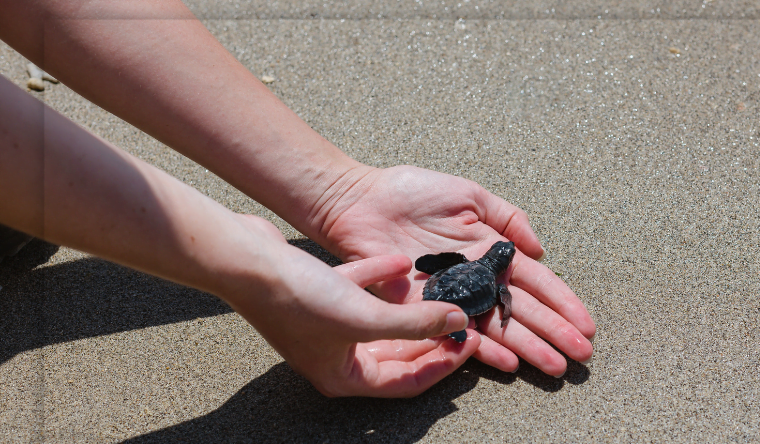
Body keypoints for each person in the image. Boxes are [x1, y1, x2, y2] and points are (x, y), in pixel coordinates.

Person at [0, 0, 595, 398]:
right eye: (502, 260)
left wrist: (338, 192)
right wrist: (254, 267)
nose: (501, 258)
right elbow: (497, 298)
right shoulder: (490, 281)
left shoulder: (461, 269)